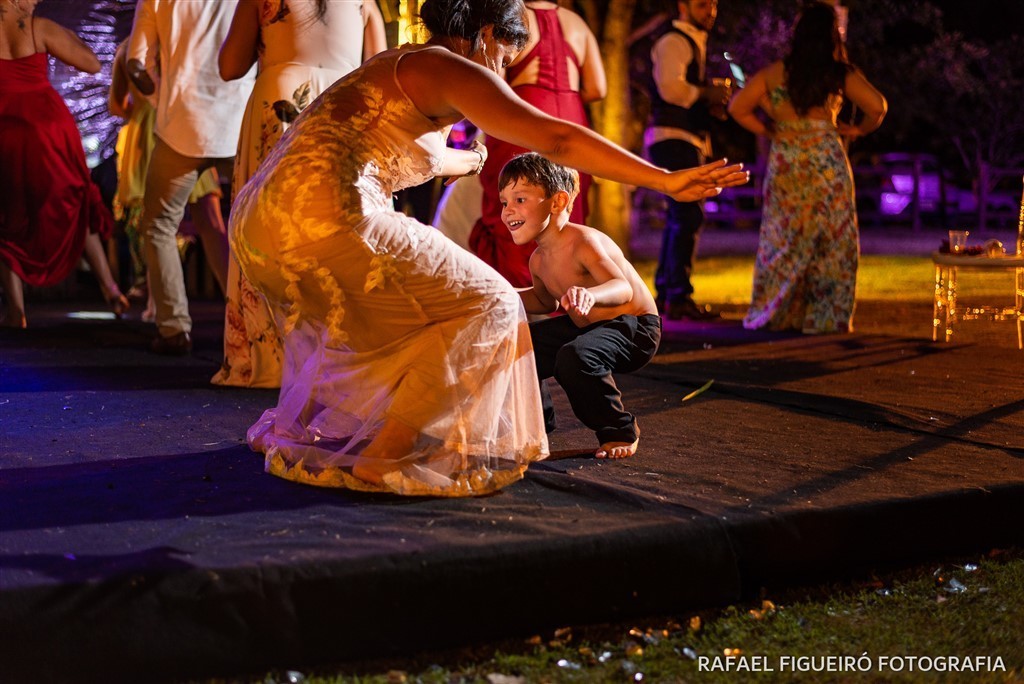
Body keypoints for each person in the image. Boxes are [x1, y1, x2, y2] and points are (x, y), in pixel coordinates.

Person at [228, 0, 747, 497]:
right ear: (488, 35)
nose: (500, 73)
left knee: (420, 312)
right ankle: (380, 455)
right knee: (493, 305)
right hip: (333, 213)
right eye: (503, 58)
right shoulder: (451, 64)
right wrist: (662, 180)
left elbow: (427, 156)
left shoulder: (395, 64)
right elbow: (558, 141)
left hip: (260, 219)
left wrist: (472, 158)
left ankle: (334, 431)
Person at [212, 0, 386, 388]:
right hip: (345, 106)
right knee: (340, 229)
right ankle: (343, 354)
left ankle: (273, 354)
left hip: (282, 102)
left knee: (269, 231)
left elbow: (230, 66)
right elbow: (378, 70)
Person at [728, 2, 886, 334]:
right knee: (832, 240)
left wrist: (770, 128)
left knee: (784, 238)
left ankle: (779, 313)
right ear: (832, 36)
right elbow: (878, 106)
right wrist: (858, 130)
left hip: (788, 159)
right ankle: (825, 318)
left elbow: (738, 106)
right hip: (826, 161)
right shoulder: (839, 73)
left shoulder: (776, 73)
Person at [501, 153, 661, 460]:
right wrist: (501, 293)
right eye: (504, 202)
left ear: (557, 202)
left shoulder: (583, 241)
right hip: (588, 325)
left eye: (519, 199)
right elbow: (543, 301)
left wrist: (591, 295)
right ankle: (537, 426)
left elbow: (622, 287)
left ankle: (618, 430)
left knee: (574, 357)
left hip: (634, 325)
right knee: (519, 343)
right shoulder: (538, 259)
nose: (508, 211)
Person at [126, 0, 254, 355]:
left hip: (181, 128)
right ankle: (259, 325)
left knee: (159, 226)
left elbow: (136, 63)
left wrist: (159, 101)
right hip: (239, 123)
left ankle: (173, 329)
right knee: (256, 224)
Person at [0, 0, 128, 328]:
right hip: (48, 129)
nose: (37, 1)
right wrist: (67, 37)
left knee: (7, 217)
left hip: (7, 129)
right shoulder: (38, 27)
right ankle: (110, 289)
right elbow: (90, 63)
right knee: (75, 201)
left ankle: (16, 311)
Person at [468, 0, 606, 288]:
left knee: (515, 204)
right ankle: (567, 291)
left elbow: (494, 78)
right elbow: (597, 88)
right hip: (571, 121)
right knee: (565, 208)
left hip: (525, 120)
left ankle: (520, 296)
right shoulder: (577, 23)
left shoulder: (512, 17)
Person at [109, 38, 231, 322]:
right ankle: (233, 296)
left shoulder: (128, 49)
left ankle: (160, 305)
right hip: (185, 121)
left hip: (150, 130)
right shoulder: (183, 39)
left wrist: (141, 111)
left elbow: (117, 104)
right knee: (209, 219)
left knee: (156, 221)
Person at [644, 0, 730, 320]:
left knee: (682, 216)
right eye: (701, 4)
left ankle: (669, 290)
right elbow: (671, 88)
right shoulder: (674, 40)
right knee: (687, 215)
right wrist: (705, 94)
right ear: (682, 5)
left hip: (685, 137)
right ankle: (677, 295)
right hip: (673, 136)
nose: (710, 11)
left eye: (713, 5)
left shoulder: (693, 41)